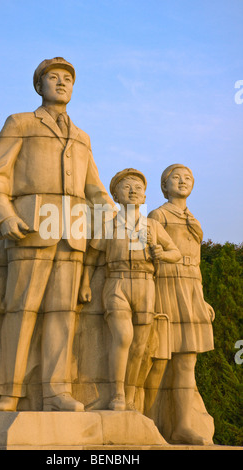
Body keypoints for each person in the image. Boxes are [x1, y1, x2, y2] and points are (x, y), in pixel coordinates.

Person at [0, 57, 114, 412]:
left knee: (61, 313)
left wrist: (110, 217)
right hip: (31, 227)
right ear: (39, 86)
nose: (61, 83)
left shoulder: (82, 136)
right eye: (52, 77)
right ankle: (10, 392)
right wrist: (3, 216)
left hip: (73, 231)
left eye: (67, 78)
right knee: (21, 310)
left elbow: (95, 188)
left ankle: (56, 391)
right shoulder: (20, 122)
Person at [79, 168, 181, 411]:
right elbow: (92, 257)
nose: (134, 190)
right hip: (117, 282)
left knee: (140, 346)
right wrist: (84, 283)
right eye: (127, 186)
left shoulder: (153, 226)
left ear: (145, 196)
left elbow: (176, 252)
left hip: (146, 283)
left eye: (138, 187)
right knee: (123, 337)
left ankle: (132, 394)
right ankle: (117, 394)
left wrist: (162, 254)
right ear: (116, 195)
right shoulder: (109, 224)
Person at [148, 163, 214, 444]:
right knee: (160, 360)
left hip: (190, 288)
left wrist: (201, 297)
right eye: (175, 177)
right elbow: (148, 257)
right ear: (164, 186)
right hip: (166, 284)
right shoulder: (157, 215)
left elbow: (197, 263)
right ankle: (148, 421)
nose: (182, 181)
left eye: (188, 178)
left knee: (188, 362)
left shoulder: (194, 219)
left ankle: (183, 426)